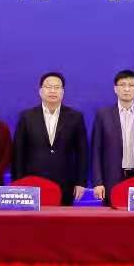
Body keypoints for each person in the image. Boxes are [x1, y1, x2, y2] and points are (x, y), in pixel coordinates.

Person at [12, 71, 87, 206]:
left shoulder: (75, 117)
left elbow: (82, 152)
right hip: (32, 183)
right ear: (40, 91)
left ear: (63, 92)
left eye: (57, 87)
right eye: (48, 87)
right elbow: (18, 153)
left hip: (65, 183)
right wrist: (18, 182)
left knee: (62, 219)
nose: (52, 91)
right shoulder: (27, 117)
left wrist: (81, 182)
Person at [90, 68, 134, 205]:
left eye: (131, 85)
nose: (127, 89)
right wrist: (98, 182)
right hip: (111, 178)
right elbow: (96, 151)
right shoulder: (103, 115)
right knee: (113, 216)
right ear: (115, 89)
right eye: (122, 85)